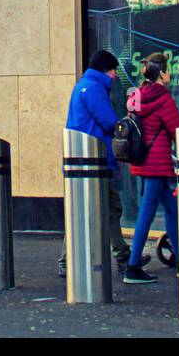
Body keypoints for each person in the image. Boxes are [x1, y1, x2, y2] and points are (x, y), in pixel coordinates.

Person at [59, 49, 134, 277]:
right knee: (109, 208)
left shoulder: (83, 85)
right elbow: (109, 121)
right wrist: (127, 123)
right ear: (105, 69)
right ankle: (122, 257)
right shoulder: (93, 88)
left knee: (85, 209)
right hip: (95, 160)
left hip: (84, 159)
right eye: (113, 70)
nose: (114, 75)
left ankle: (121, 255)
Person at [123, 53, 179, 284]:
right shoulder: (163, 97)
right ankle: (133, 265)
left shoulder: (137, 95)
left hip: (142, 159)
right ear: (162, 73)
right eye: (168, 70)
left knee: (172, 209)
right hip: (157, 162)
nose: (170, 74)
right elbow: (177, 128)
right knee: (147, 212)